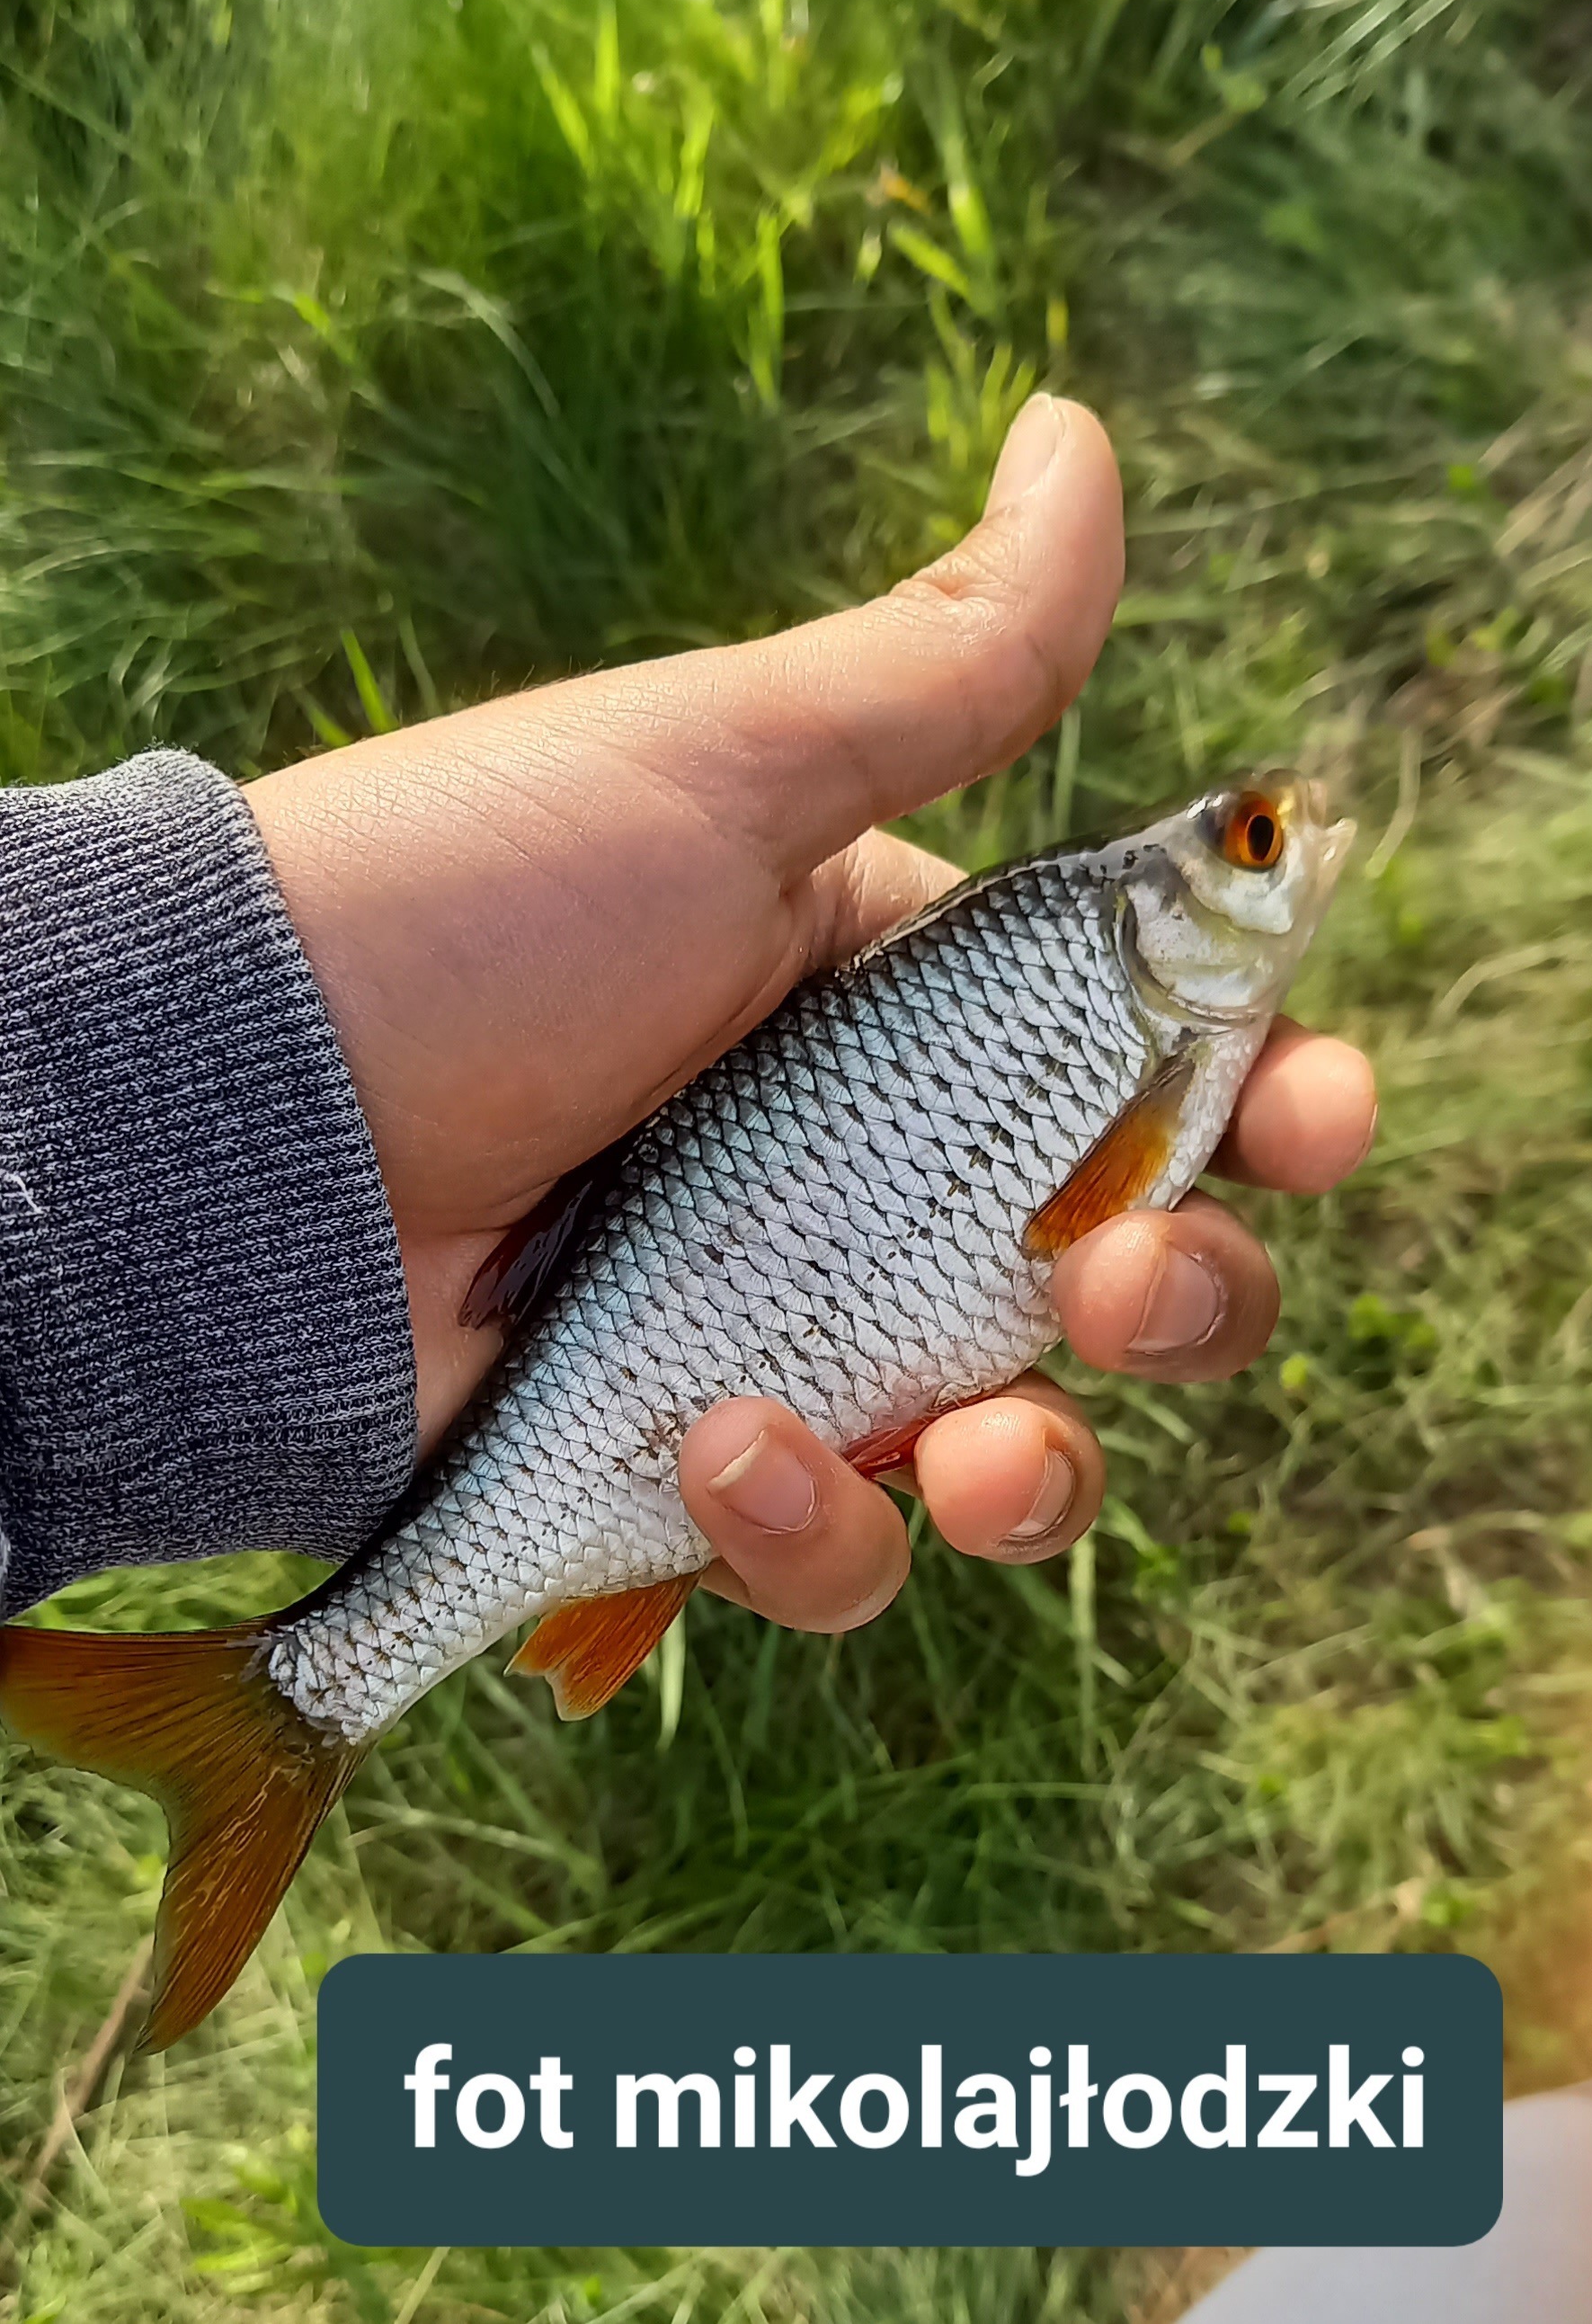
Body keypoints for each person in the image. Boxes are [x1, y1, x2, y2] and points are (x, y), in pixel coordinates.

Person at [0, 393, 1374, 1625]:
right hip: (633, 1327)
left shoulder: (1136, 1001)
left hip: (631, 1332)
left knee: (999, 1412)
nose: (1286, 838)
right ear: (1157, 915)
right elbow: (1080, 1219)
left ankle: (356, 1666)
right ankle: (321, 1682)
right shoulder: (1136, 1003)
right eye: (1254, 841)